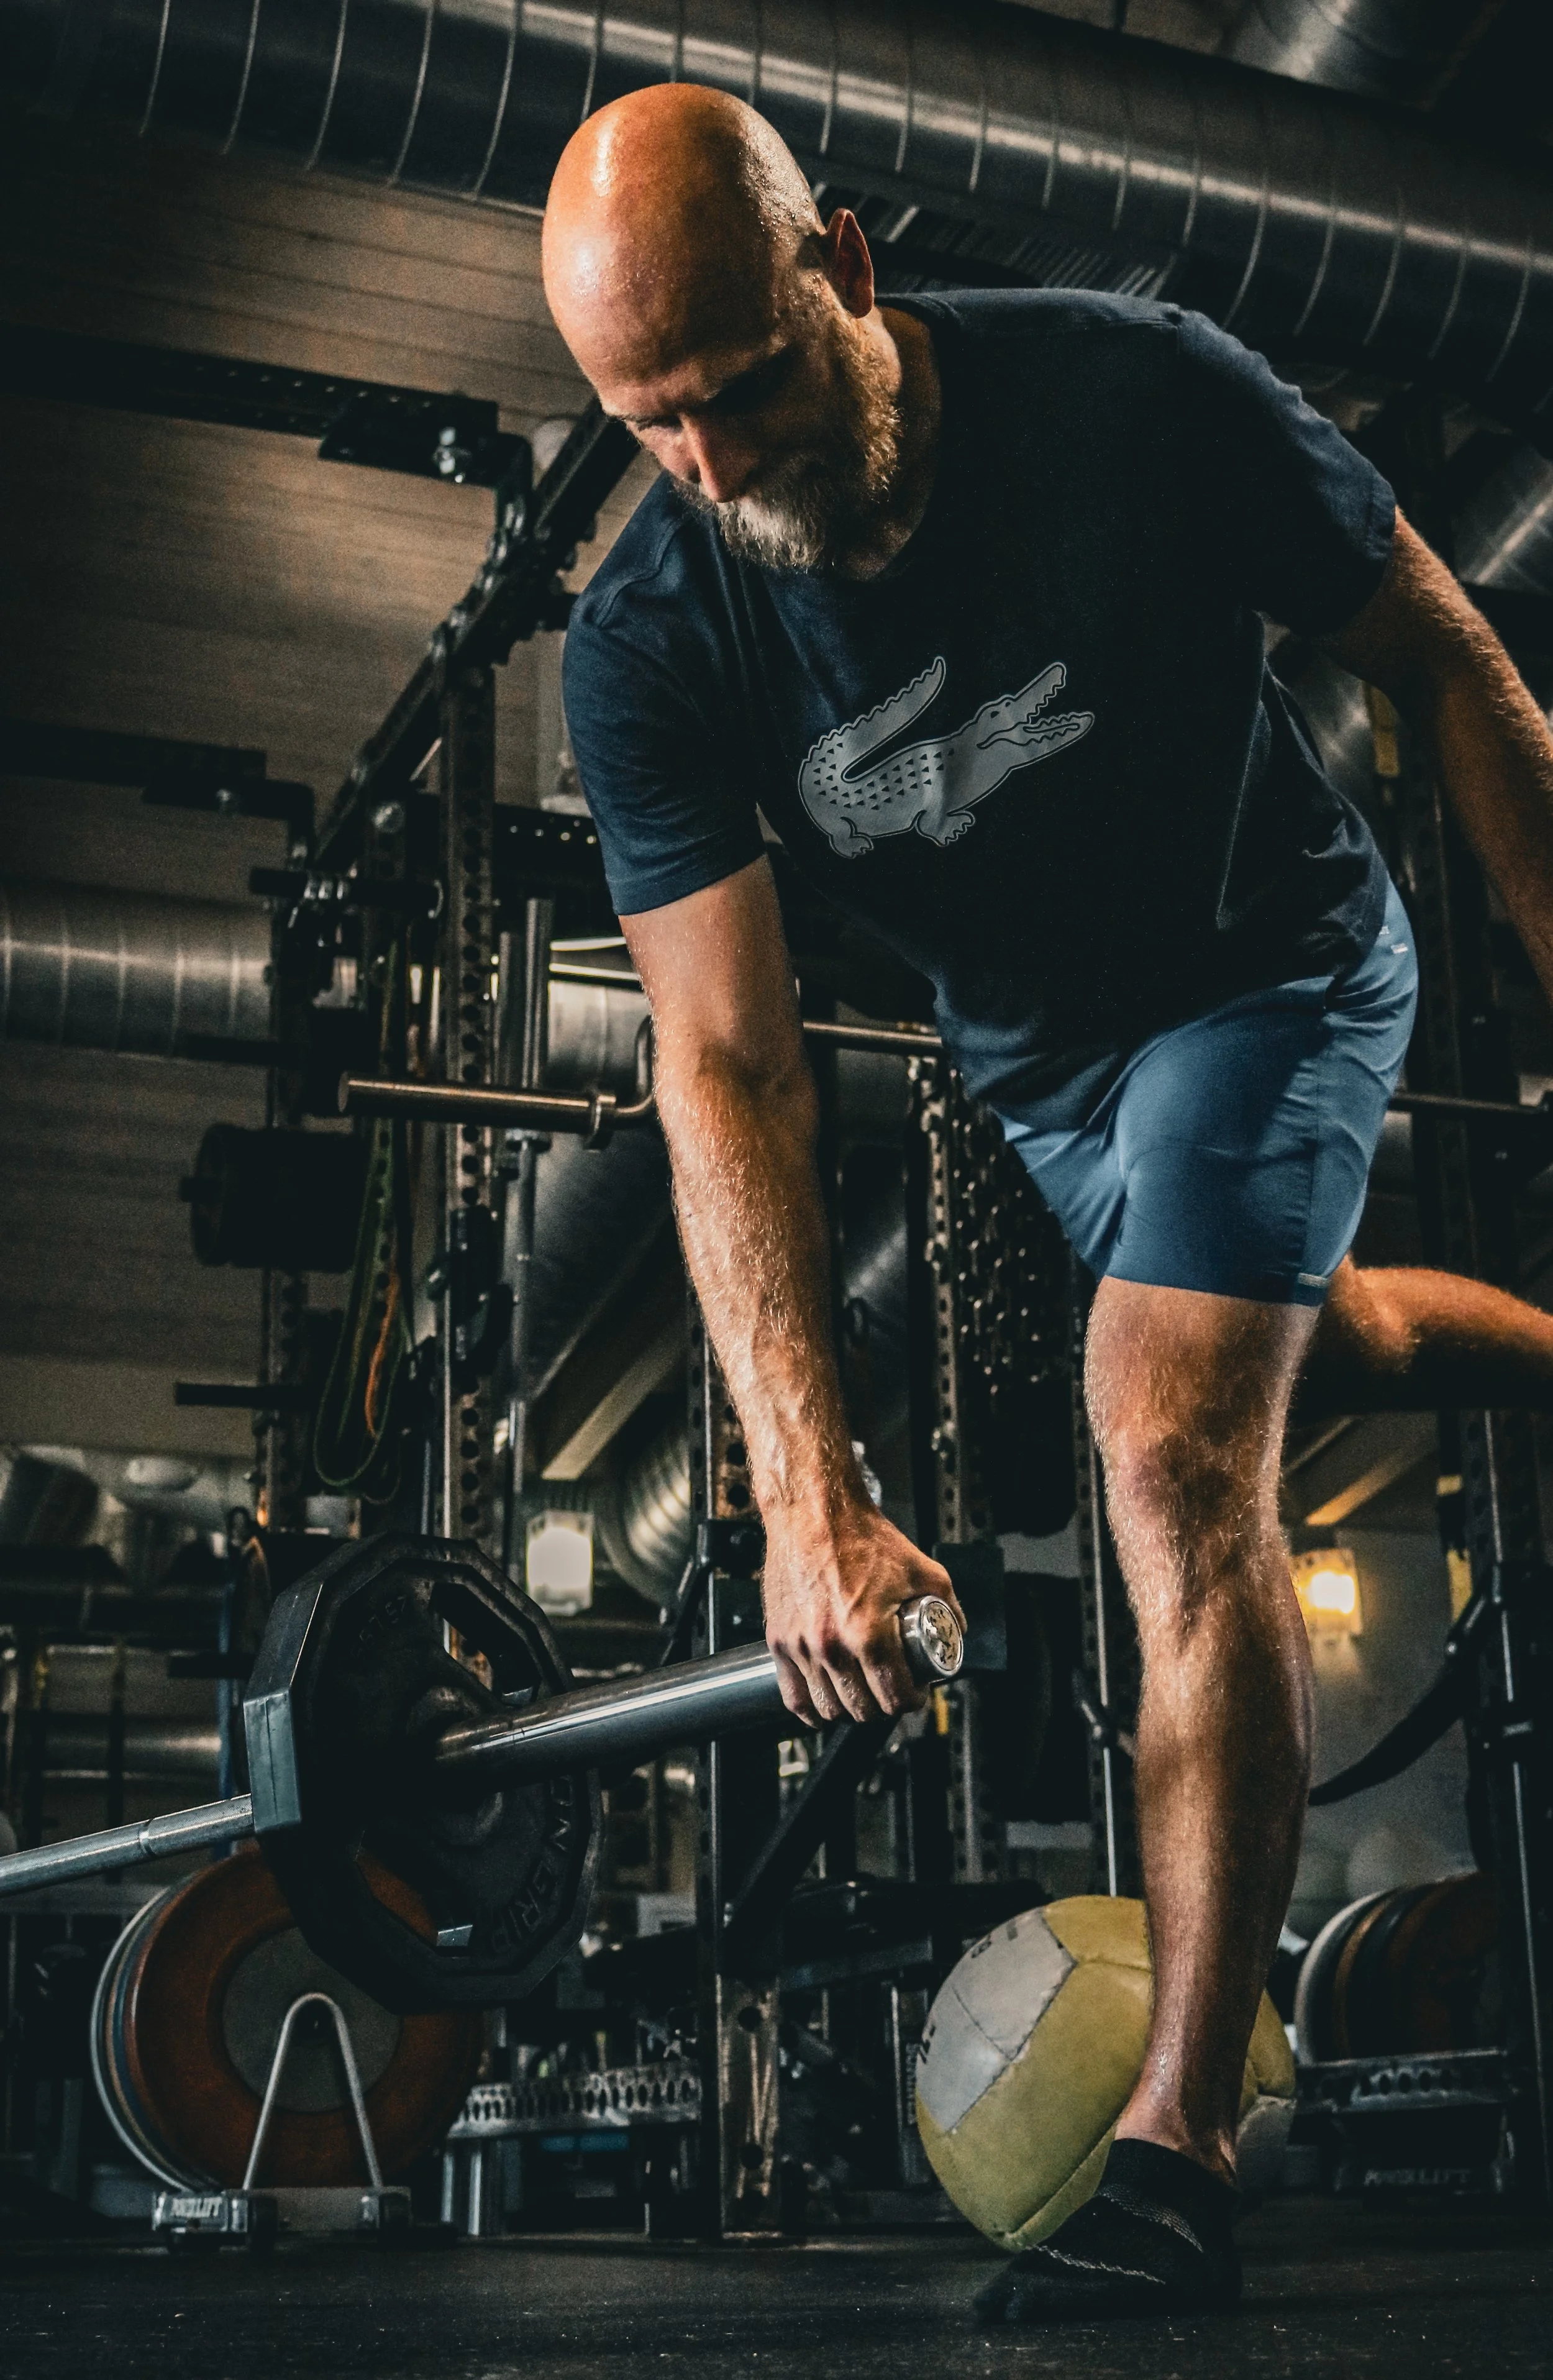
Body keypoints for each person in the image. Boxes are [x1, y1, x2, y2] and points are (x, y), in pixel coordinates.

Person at [541, 83, 1553, 2318]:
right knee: (1314, 1340)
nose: (709, 467)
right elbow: (724, 1061)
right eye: (649, 428)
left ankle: (1177, 2141)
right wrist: (802, 1487)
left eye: (739, 390)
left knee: (1161, 1426)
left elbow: (1454, 666)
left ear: (852, 273)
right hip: (1044, 1079)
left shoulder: (1130, 388)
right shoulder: (647, 642)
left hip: (1267, 960)